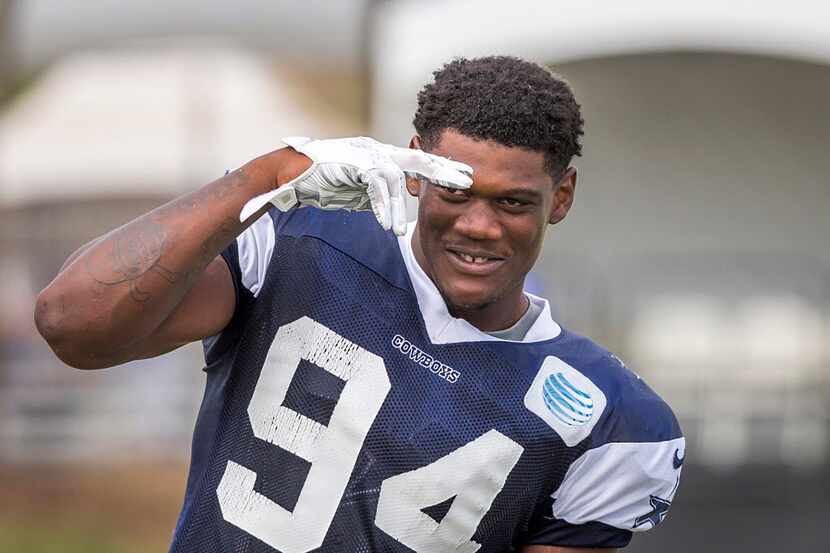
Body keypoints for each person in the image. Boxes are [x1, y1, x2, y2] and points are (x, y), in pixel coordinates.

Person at [35, 56, 684, 552]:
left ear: (560, 196)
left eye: (512, 202)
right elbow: (70, 324)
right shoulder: (299, 239)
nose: (479, 225)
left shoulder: (611, 418)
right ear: (413, 165)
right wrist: (265, 178)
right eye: (453, 190)